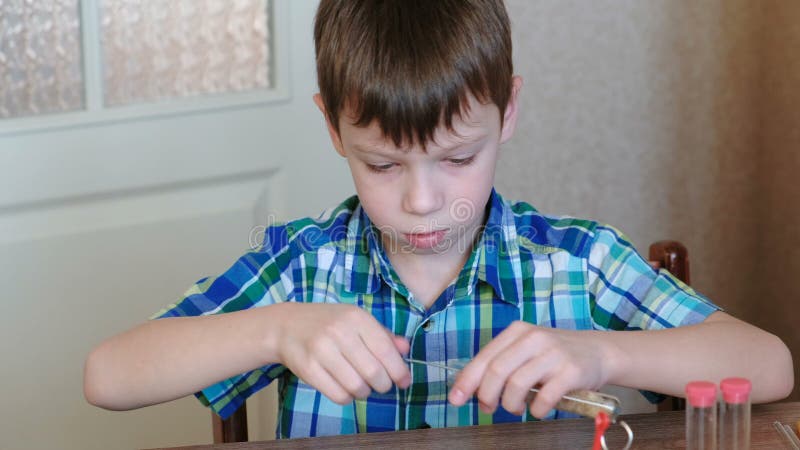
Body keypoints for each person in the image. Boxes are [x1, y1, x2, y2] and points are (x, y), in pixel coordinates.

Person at [84, 0, 793, 439]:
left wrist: (603, 353)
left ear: (507, 112)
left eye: (458, 158)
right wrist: (275, 329)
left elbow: (771, 365)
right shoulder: (302, 267)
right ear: (333, 128)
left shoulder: (576, 263)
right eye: (384, 166)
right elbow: (107, 375)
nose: (423, 201)